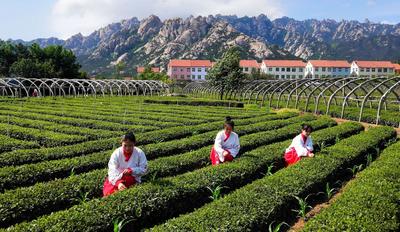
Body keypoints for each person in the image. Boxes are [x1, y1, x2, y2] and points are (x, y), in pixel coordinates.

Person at [103, 132, 148, 197]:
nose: (127, 148)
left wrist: (132, 170)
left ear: (134, 144)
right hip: (117, 178)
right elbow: (112, 169)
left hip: (133, 179)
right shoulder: (117, 153)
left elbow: (144, 168)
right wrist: (118, 183)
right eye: (125, 145)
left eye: (130, 145)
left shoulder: (139, 153)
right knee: (109, 194)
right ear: (121, 143)